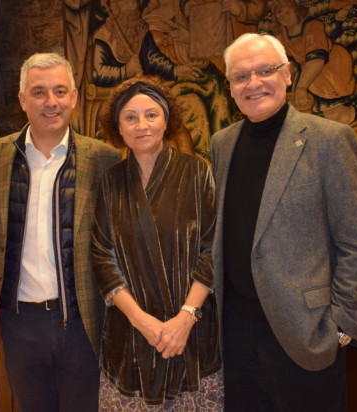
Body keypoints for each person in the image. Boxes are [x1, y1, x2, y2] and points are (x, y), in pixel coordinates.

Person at [210, 33, 357, 411]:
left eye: (265, 70)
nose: (253, 83)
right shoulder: (222, 143)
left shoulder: (329, 140)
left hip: (307, 331)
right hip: (235, 332)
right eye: (240, 76)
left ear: (287, 74)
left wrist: (342, 324)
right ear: (230, 87)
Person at [0, 53, 120, 412]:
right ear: (22, 100)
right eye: (39, 92)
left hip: (81, 322)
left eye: (60, 91)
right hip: (19, 323)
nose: (51, 102)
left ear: (74, 97)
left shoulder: (103, 158)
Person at [92, 76, 222, 409]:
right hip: (131, 338)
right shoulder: (111, 182)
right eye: (130, 117)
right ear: (118, 128)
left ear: (167, 120)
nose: (142, 125)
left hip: (190, 336)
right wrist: (141, 320)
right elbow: (102, 256)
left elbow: (212, 249)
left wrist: (185, 318)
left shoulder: (197, 172)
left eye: (151, 114)